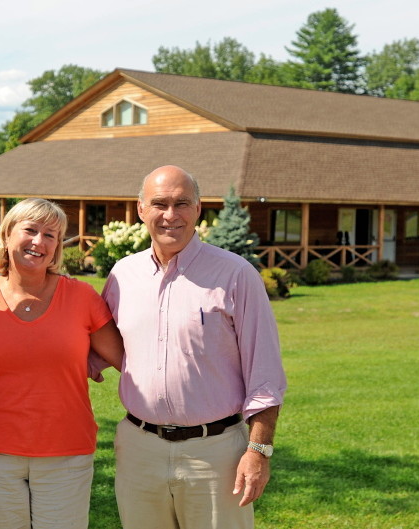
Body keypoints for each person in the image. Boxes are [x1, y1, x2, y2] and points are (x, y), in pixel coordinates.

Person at [101, 165, 287, 529]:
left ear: (199, 209)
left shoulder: (236, 275)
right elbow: (92, 342)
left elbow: (265, 375)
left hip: (215, 454)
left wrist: (259, 450)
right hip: (139, 450)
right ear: (141, 209)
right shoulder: (123, 275)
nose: (170, 215)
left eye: (181, 203)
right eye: (159, 204)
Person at [0, 197, 124, 529]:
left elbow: (127, 358)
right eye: (30, 230)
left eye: (51, 235)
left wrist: (92, 360)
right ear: (6, 236)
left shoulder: (81, 297)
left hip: (66, 452)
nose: (39, 242)